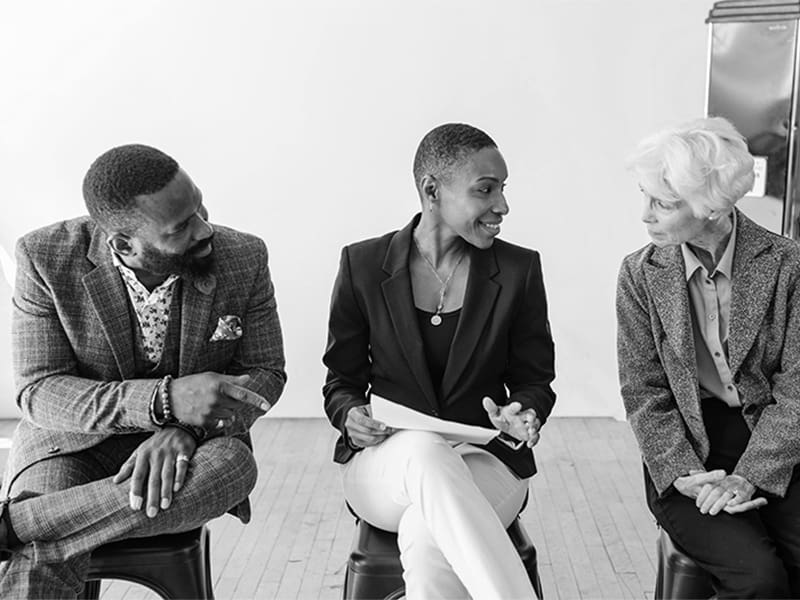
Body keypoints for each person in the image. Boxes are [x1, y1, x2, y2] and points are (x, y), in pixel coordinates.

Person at [0, 144, 287, 597]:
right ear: (123, 244)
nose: (205, 228)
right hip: (67, 446)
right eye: (181, 227)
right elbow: (39, 390)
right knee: (41, 553)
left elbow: (265, 370)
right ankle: (36, 524)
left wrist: (187, 429)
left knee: (232, 467)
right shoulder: (44, 257)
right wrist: (164, 402)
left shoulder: (244, 256)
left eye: (200, 207)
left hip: (196, 451)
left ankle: (16, 524)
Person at [323, 123, 555, 599]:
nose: (502, 206)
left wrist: (523, 413)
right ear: (432, 191)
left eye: (503, 188)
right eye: (485, 190)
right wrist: (350, 417)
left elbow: (535, 380)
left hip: (487, 462)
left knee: (426, 534)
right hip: (385, 465)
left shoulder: (519, 270)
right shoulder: (362, 265)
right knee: (424, 450)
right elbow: (341, 381)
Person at [617, 116, 800, 598]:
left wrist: (751, 475)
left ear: (712, 208)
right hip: (688, 448)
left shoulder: (788, 266)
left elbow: (797, 392)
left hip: (776, 438)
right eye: (645, 196)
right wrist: (684, 474)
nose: (645, 215)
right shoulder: (639, 275)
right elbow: (643, 392)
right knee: (759, 578)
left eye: (663, 203)